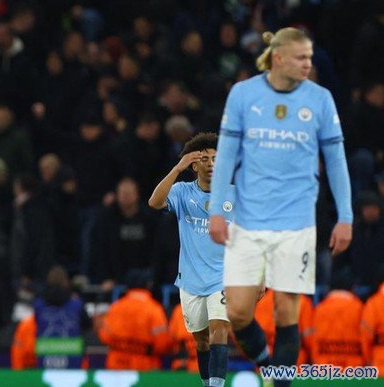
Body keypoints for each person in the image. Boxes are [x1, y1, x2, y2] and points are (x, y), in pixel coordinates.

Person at [208, 27, 353, 386]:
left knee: (286, 314)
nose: (309, 64)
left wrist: (345, 216)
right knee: (238, 313)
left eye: (310, 57)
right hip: (246, 220)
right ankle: (269, 368)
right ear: (278, 59)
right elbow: (225, 154)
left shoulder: (320, 100)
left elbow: (336, 160)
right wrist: (216, 210)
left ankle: (280, 382)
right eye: (301, 58)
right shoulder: (243, 95)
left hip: (297, 222)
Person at [149, 132, 234, 387]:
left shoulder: (235, 194)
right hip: (191, 280)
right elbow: (154, 202)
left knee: (220, 328)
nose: (211, 164)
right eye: (205, 159)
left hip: (223, 278)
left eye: (215, 159)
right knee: (201, 340)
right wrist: (177, 168)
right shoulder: (182, 192)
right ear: (194, 165)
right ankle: (207, 384)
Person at [98, 269, 169, 371]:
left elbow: (104, 337)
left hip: (117, 366)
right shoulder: (154, 309)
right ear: (148, 285)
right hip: (145, 369)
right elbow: (162, 344)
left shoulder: (116, 307)